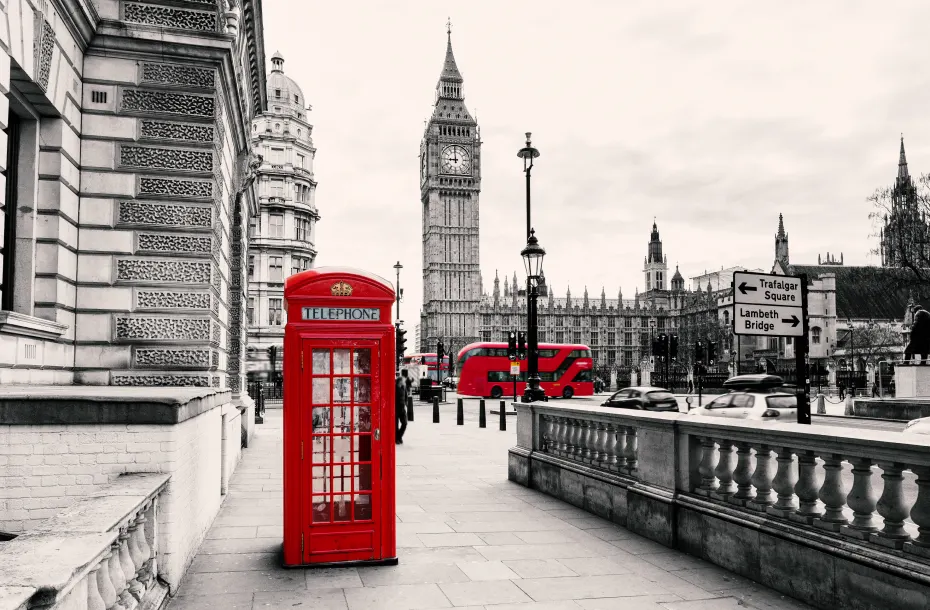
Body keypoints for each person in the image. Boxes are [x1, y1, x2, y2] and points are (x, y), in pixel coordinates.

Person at [395, 371, 408, 444]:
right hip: (395, 409)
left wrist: (406, 403)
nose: (404, 382)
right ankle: (397, 439)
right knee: (395, 426)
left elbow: (406, 396)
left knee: (405, 423)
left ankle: (399, 436)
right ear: (400, 382)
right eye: (403, 381)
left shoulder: (404, 388)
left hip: (402, 409)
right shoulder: (394, 388)